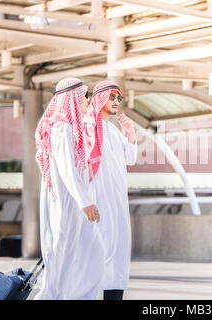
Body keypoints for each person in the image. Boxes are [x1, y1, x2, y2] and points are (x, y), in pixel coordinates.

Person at [34, 78, 105, 300]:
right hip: (66, 203)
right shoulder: (62, 129)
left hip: (71, 201)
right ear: (72, 98)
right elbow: (67, 170)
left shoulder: (68, 128)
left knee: (82, 252)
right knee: (61, 254)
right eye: (85, 96)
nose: (87, 101)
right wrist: (85, 201)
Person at [83, 80, 138, 300]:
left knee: (118, 255)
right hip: (97, 202)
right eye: (111, 97)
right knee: (95, 256)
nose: (116, 101)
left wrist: (131, 132)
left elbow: (130, 158)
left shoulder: (114, 130)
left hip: (117, 203)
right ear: (99, 98)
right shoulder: (88, 126)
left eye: (118, 98)